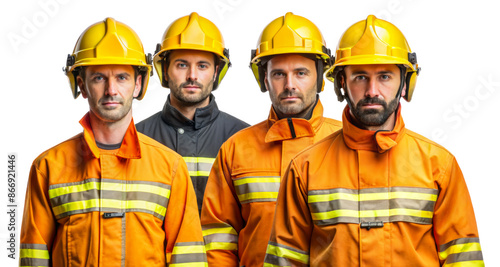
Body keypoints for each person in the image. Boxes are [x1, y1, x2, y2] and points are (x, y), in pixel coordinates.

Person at [265, 15, 484, 266]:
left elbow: (463, 259)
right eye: (360, 77)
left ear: (405, 83)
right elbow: (285, 260)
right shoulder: (304, 168)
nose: (372, 91)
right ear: (341, 83)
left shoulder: (439, 166)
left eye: (385, 76)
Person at [19, 18, 206, 266]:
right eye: (98, 78)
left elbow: (188, 258)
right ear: (82, 85)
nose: (111, 90)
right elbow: (33, 257)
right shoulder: (48, 168)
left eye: (121, 77)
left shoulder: (170, 168)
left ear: (138, 84)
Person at [201, 12, 342, 267]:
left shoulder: (346, 143)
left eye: (301, 73)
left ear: (320, 78)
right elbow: (218, 238)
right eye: (278, 74)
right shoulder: (236, 149)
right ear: (264, 79)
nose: (289, 84)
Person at [136, 12, 249, 215]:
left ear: (216, 72)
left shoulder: (244, 139)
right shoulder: (137, 138)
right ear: (165, 70)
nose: (192, 76)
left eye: (202, 66)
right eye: (182, 65)